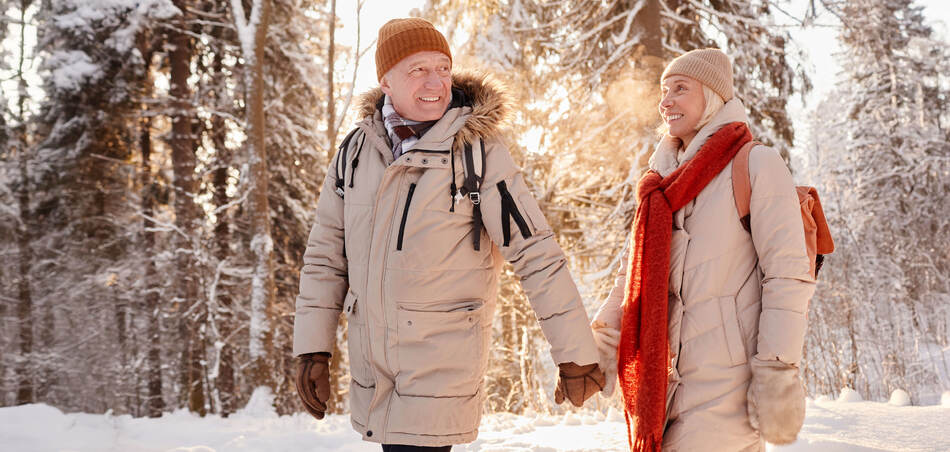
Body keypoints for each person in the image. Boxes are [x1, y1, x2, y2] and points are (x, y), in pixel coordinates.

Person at [292, 18, 606, 451]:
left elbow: (535, 252)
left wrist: (574, 353)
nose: (435, 82)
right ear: (386, 81)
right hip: (374, 375)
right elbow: (326, 258)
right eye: (418, 69)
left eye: (443, 67)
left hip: (441, 372)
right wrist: (312, 349)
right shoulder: (355, 152)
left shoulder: (478, 152)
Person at [590, 48, 816, 451]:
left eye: (680, 88)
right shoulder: (657, 184)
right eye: (663, 91)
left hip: (727, 390)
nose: (666, 101)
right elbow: (630, 276)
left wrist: (777, 372)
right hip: (661, 390)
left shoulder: (756, 164)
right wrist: (601, 347)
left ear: (713, 96)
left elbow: (787, 274)